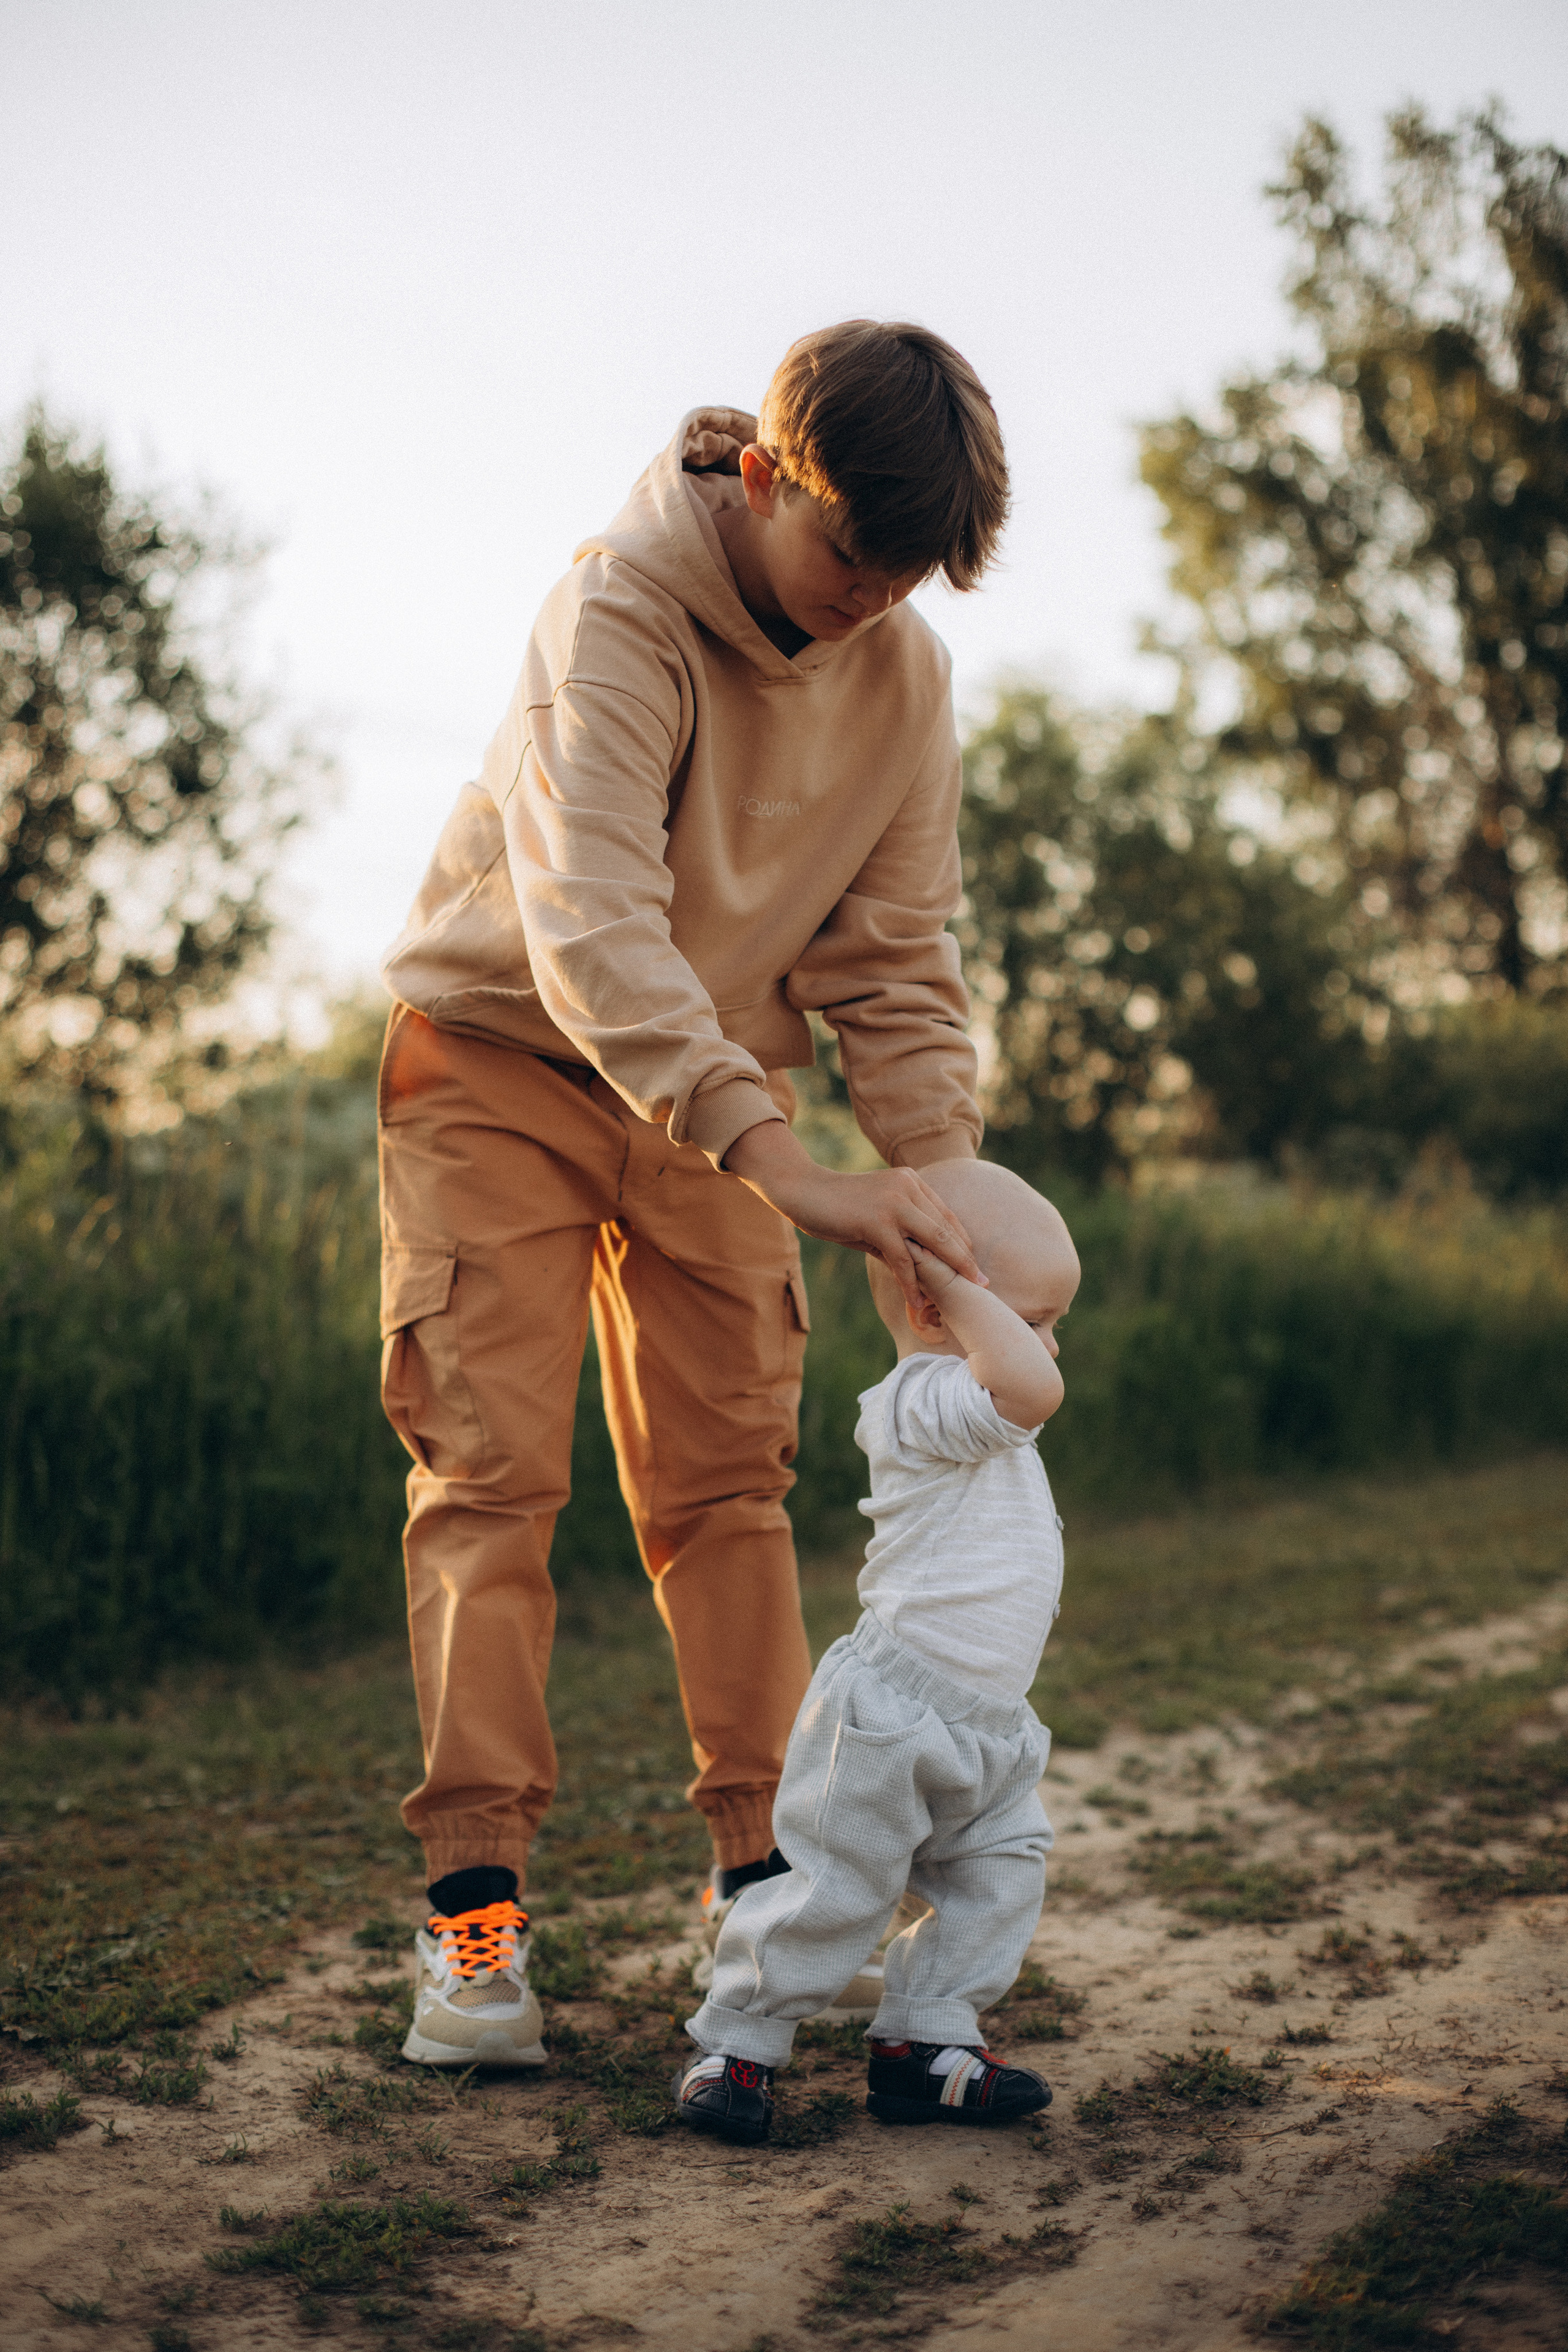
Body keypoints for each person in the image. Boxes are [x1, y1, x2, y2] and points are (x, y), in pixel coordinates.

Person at [376, 321, 1011, 2068]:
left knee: (728, 1490)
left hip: (717, 1091)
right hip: (500, 1055)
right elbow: (590, 921)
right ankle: (475, 1933)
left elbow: (894, 959)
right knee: (492, 1481)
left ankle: (765, 1899)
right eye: (850, 556)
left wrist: (936, 1192)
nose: (871, 601)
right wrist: (791, 1159)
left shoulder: (906, 677)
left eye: (908, 578)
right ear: (763, 475)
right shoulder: (621, 609)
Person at [676, 1158, 1079, 2142]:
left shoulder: (974, 1402)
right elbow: (1034, 1390)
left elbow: (1028, 1380)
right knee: (835, 1890)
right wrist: (952, 1281)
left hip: (987, 1725)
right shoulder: (921, 1399)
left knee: (999, 1876)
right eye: (1036, 1318)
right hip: (889, 1719)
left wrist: (987, 1304)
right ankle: (737, 2044)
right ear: (932, 1302)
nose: (1052, 1346)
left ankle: (926, 2040)